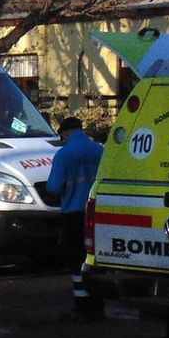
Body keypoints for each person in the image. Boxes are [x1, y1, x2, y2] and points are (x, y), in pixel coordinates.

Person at [48, 116, 106, 320]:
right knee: (95, 259)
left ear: (65, 133)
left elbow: (54, 186)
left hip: (73, 214)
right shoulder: (100, 150)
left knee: (76, 259)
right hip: (98, 213)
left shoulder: (64, 155)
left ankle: (82, 303)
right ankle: (98, 304)